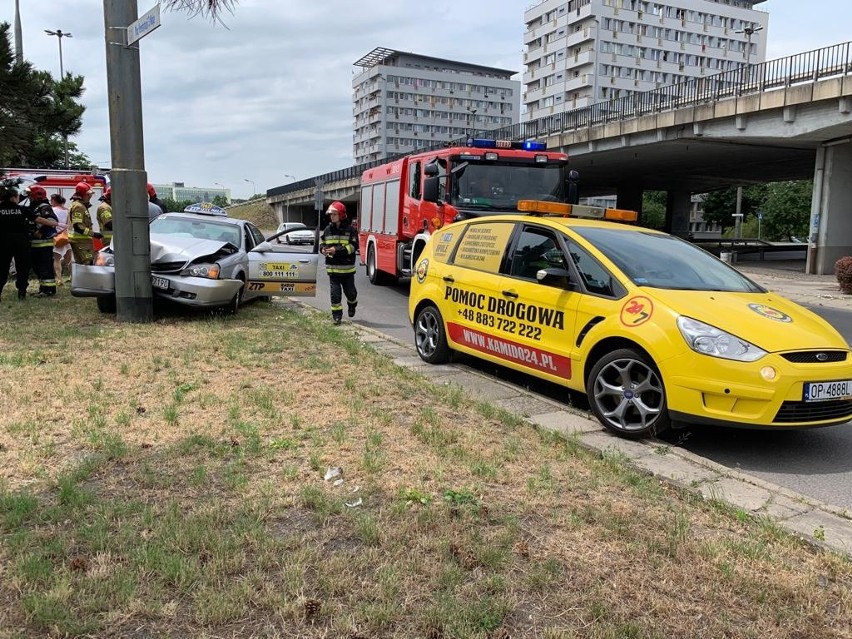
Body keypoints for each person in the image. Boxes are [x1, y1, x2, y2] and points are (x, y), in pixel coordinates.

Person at [319, 200, 358, 325]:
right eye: (331, 214)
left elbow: (353, 246)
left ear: (341, 214)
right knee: (335, 295)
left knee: (351, 294)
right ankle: (337, 316)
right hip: (333, 270)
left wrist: (337, 250)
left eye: (334, 214)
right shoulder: (327, 230)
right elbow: (322, 243)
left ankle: (352, 305)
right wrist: (323, 249)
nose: (332, 216)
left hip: (347, 270)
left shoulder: (350, 230)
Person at [0, 182, 33, 301]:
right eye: (17, 196)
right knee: (23, 268)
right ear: (13, 197)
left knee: (2, 269)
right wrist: (56, 224)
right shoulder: (22, 209)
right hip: (21, 243)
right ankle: (22, 293)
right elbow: (37, 219)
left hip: (3, 243)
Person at [27, 185, 59, 297]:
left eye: (30, 195)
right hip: (35, 244)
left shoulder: (44, 207)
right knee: (37, 267)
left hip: (44, 244)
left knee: (45, 267)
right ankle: (43, 288)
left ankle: (49, 290)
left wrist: (40, 231)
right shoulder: (34, 206)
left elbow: (51, 220)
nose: (29, 197)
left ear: (37, 196)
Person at [68, 181, 102, 265]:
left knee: (81, 265)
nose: (90, 196)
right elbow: (78, 226)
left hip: (81, 240)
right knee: (88, 263)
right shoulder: (79, 206)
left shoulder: (79, 205)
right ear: (81, 194)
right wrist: (93, 234)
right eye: (88, 194)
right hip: (81, 241)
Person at [51, 193, 72, 286]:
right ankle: (72, 277)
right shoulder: (67, 211)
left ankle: (59, 279)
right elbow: (70, 225)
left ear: (54, 200)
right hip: (66, 236)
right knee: (69, 258)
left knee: (57, 259)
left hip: (56, 236)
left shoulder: (52, 210)